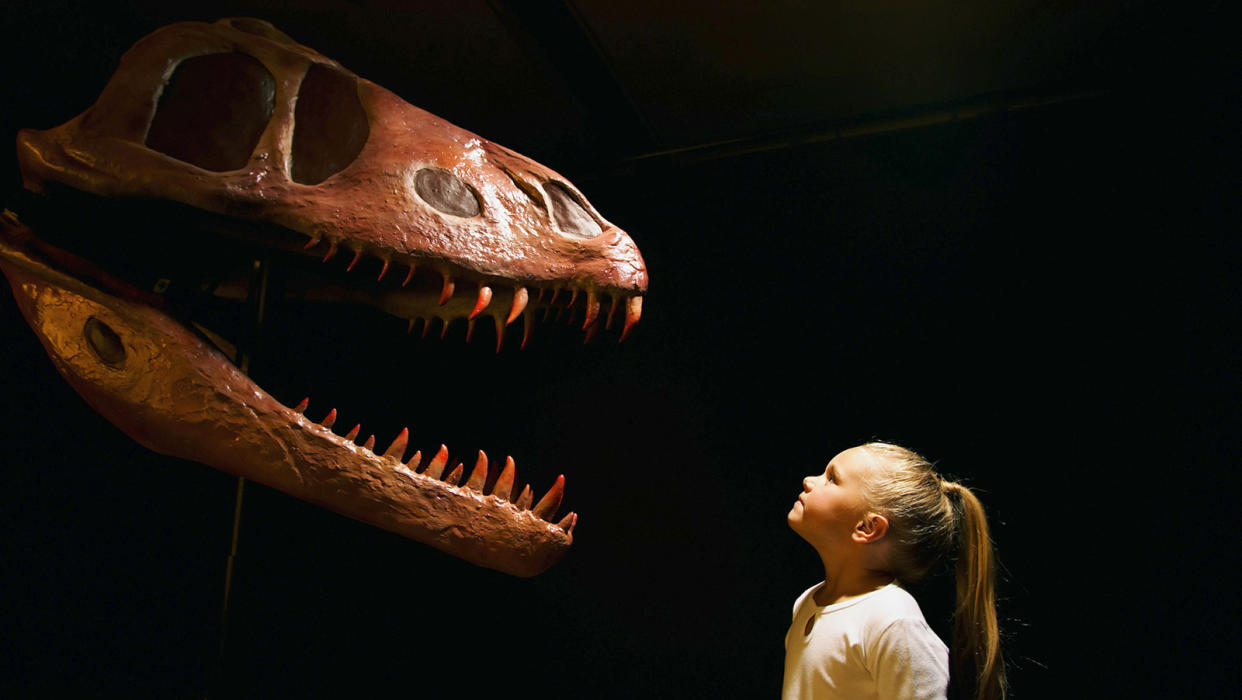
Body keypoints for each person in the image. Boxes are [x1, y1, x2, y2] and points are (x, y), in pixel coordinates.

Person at [783, 442, 1005, 700]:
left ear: (867, 527)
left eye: (832, 479)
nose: (809, 480)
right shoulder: (807, 602)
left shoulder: (891, 617)